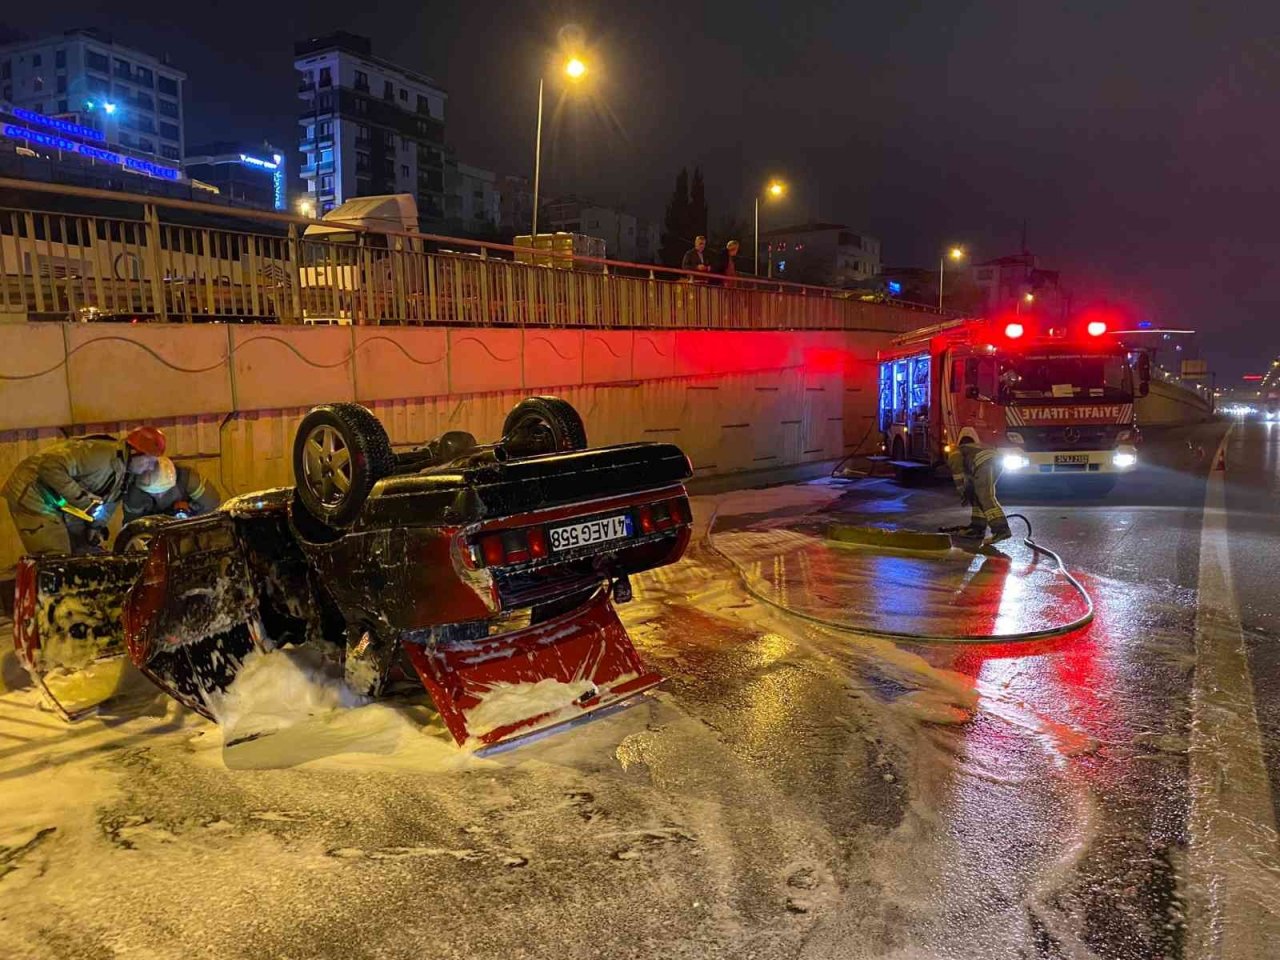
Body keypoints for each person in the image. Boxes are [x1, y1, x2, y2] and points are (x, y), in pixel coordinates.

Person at [2, 427, 166, 556]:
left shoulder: (124, 472)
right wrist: (83, 501)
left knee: (82, 549)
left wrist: (95, 527)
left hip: (57, 497)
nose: (150, 468)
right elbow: (49, 467)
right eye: (150, 461)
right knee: (56, 555)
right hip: (32, 490)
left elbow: (109, 501)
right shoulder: (99, 454)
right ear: (135, 452)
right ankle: (50, 597)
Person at [945, 436, 1011, 543]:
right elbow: (969, 475)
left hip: (984, 462)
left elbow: (958, 473)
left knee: (984, 495)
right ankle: (978, 526)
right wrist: (969, 492)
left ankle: (1001, 529)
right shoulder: (969, 451)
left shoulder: (953, 452)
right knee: (978, 494)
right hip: (995, 460)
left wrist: (962, 492)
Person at [122, 456, 221, 525]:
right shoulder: (134, 496)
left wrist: (190, 509)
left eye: (163, 490)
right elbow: (131, 528)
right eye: (154, 493)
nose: (160, 496)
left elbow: (212, 503)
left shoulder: (189, 480)